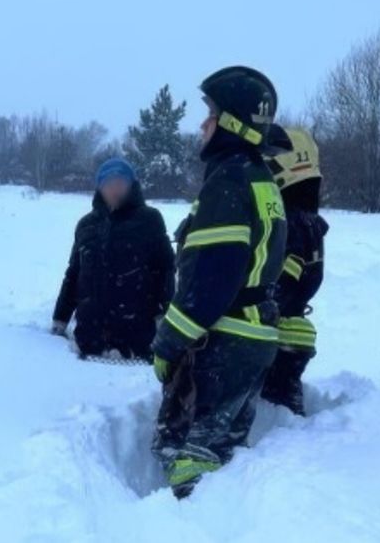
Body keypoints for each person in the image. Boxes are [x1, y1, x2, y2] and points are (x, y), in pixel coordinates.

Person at [151, 66, 287, 499]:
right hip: (252, 338)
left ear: (232, 123)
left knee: (189, 461)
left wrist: (167, 344)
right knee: (220, 462)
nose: (202, 124)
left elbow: (208, 283)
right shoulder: (260, 179)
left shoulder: (228, 182)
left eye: (209, 113)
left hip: (223, 345)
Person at [53, 157, 175, 362]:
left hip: (137, 346)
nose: (114, 189)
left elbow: (166, 270)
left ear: (131, 185)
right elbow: (73, 275)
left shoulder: (150, 219)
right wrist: (60, 318)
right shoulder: (86, 225)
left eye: (120, 183)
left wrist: (165, 315)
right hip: (89, 342)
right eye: (107, 184)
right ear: (99, 187)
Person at [260, 126, 329, 415]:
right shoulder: (309, 222)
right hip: (291, 337)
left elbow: (281, 285)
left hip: (277, 340)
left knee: (274, 407)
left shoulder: (291, 224)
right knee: (283, 405)